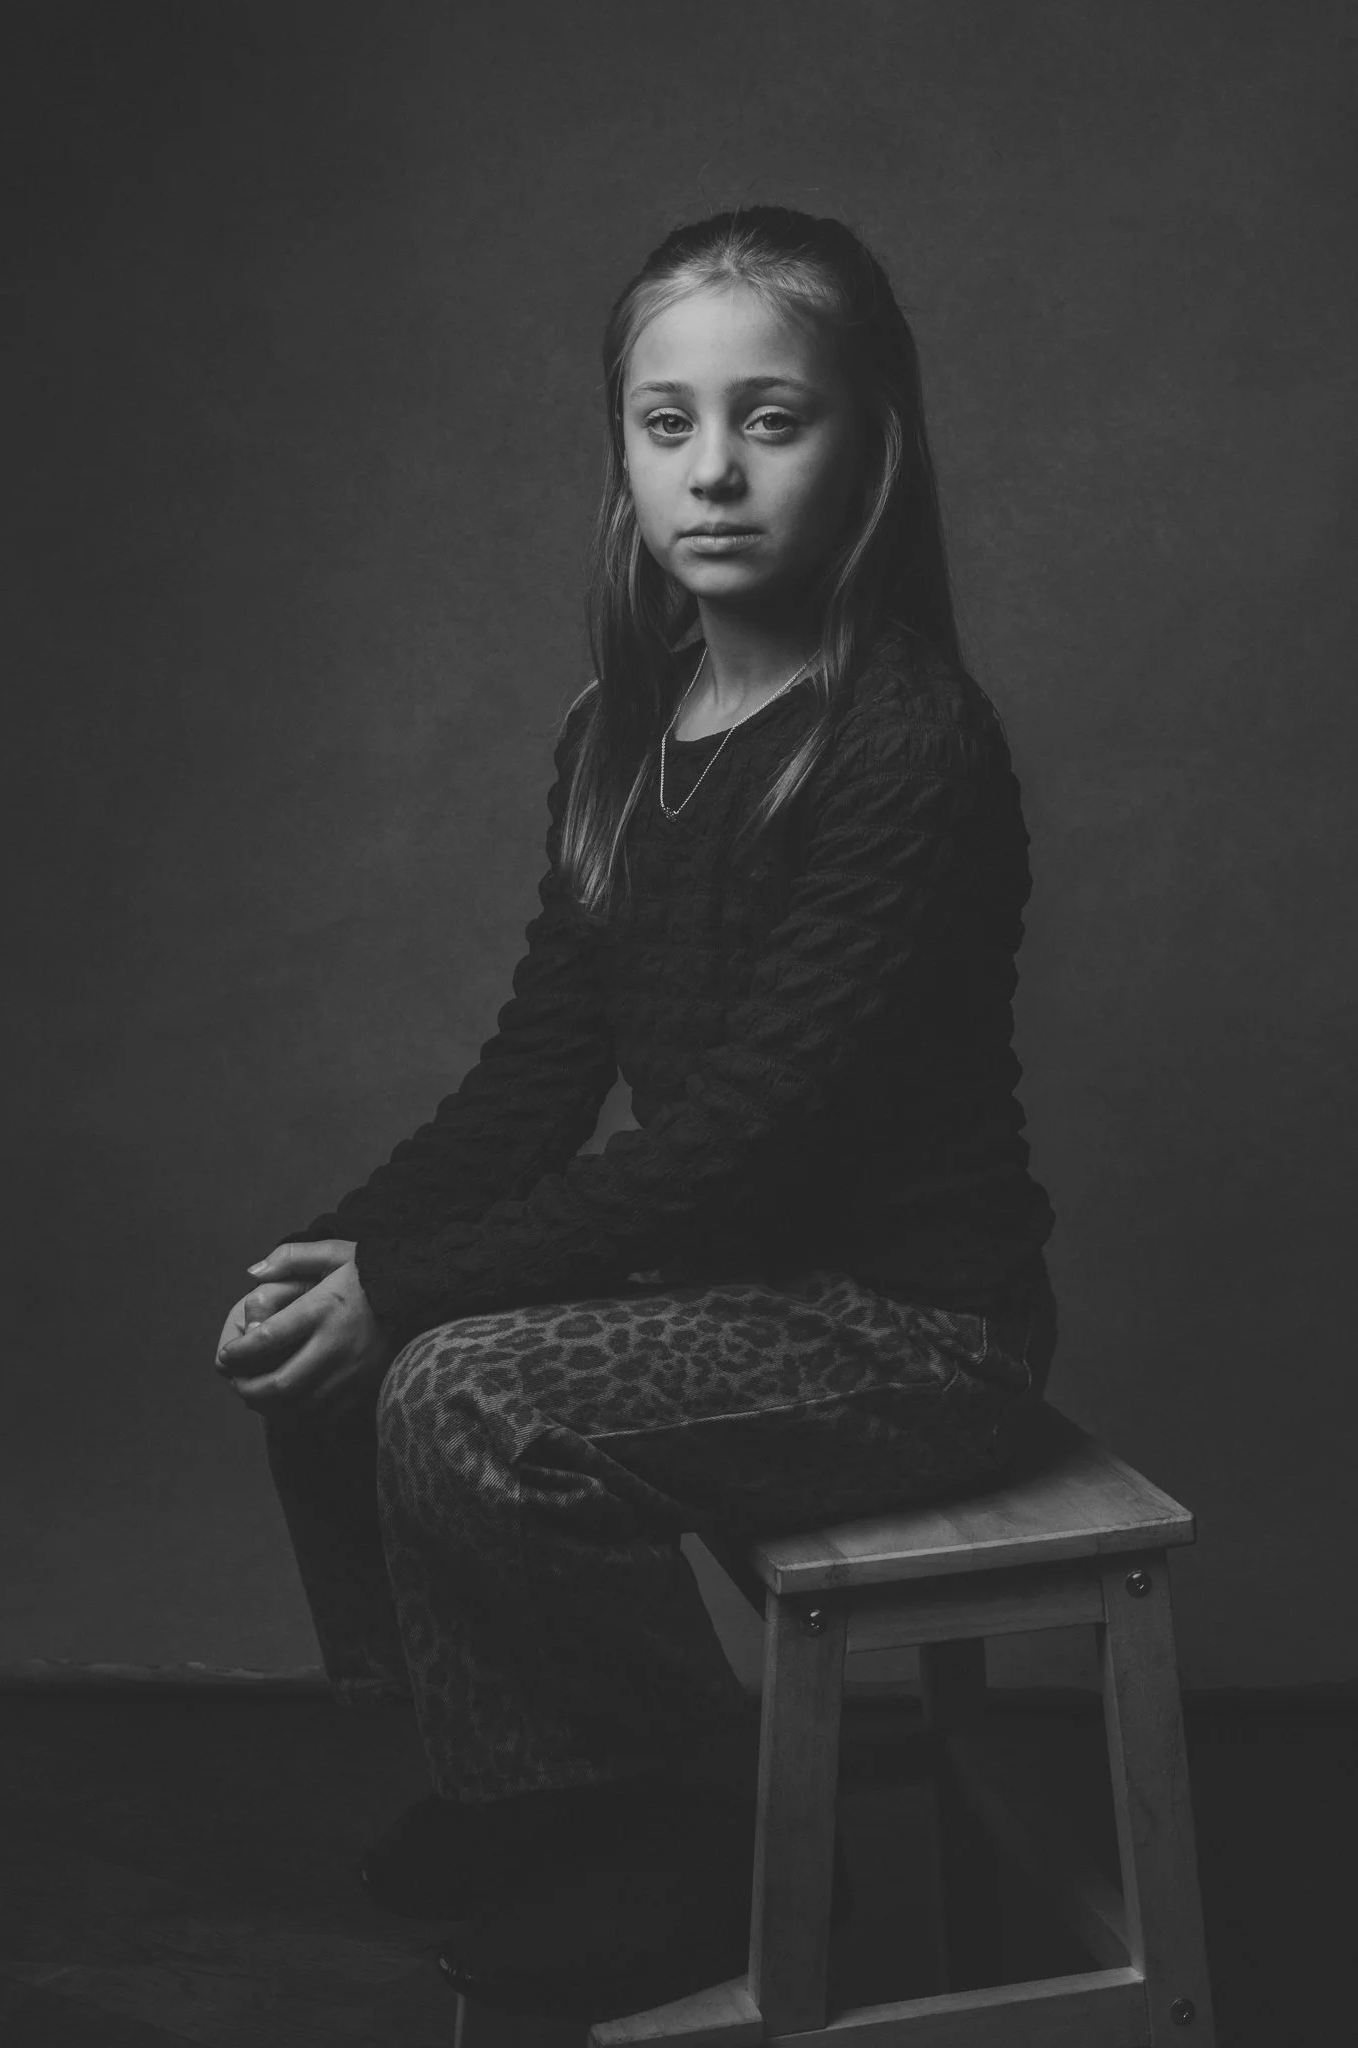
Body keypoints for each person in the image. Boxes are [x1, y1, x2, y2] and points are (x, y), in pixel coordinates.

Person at [213, 204, 1056, 2021]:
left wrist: (415, 1288)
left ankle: (687, 1835)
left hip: (906, 1329)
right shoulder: (622, 737)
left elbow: (748, 1136)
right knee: (336, 1342)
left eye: (774, 419)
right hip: (719, 1282)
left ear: (873, 447)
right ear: (623, 456)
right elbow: (539, 1075)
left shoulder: (906, 742)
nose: (716, 470)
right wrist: (348, 1251)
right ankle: (520, 1786)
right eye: (670, 424)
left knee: (463, 1382)